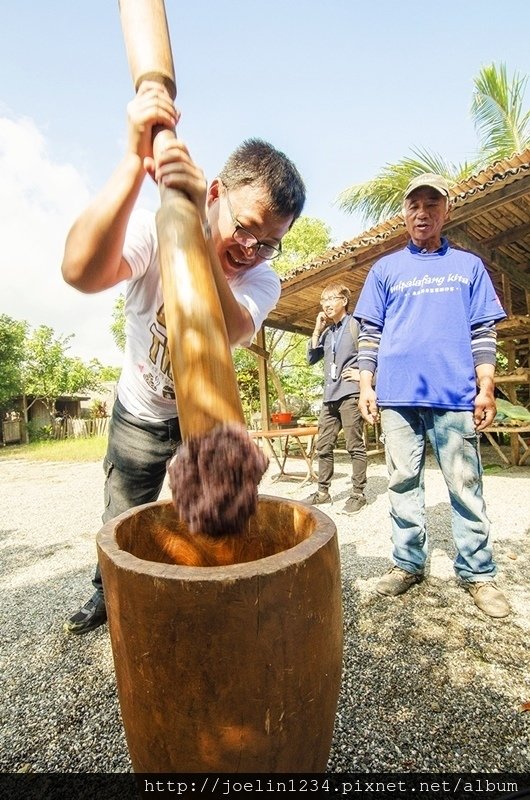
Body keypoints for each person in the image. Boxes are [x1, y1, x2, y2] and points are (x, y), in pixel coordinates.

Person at [61, 82, 306, 634]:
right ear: (215, 191)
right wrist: (133, 160)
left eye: (269, 242)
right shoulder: (156, 231)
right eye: (245, 228)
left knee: (215, 521)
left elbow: (232, 326)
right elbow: (79, 271)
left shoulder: (262, 279)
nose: (251, 249)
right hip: (141, 413)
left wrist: (197, 234)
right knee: (122, 513)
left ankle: (207, 600)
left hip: (202, 422)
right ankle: (109, 596)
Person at [354, 172, 510, 619]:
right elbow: (370, 333)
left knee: (465, 484)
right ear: (404, 213)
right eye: (414, 206)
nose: (422, 213)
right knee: (403, 481)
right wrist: (367, 384)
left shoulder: (468, 267)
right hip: (398, 396)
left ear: (447, 211)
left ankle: (478, 572)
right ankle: (407, 563)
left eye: (432, 205)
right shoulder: (385, 269)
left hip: (456, 395)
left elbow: (482, 331)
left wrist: (486, 387)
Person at [305, 283, 367, 514]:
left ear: (344, 300)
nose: (327, 304)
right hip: (330, 396)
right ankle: (323, 492)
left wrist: (365, 377)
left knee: (354, 445)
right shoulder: (329, 333)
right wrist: (317, 329)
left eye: (331, 299)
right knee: (323, 445)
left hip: (350, 393)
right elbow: (312, 357)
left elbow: (374, 354)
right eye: (323, 301)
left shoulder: (356, 325)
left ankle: (358, 493)